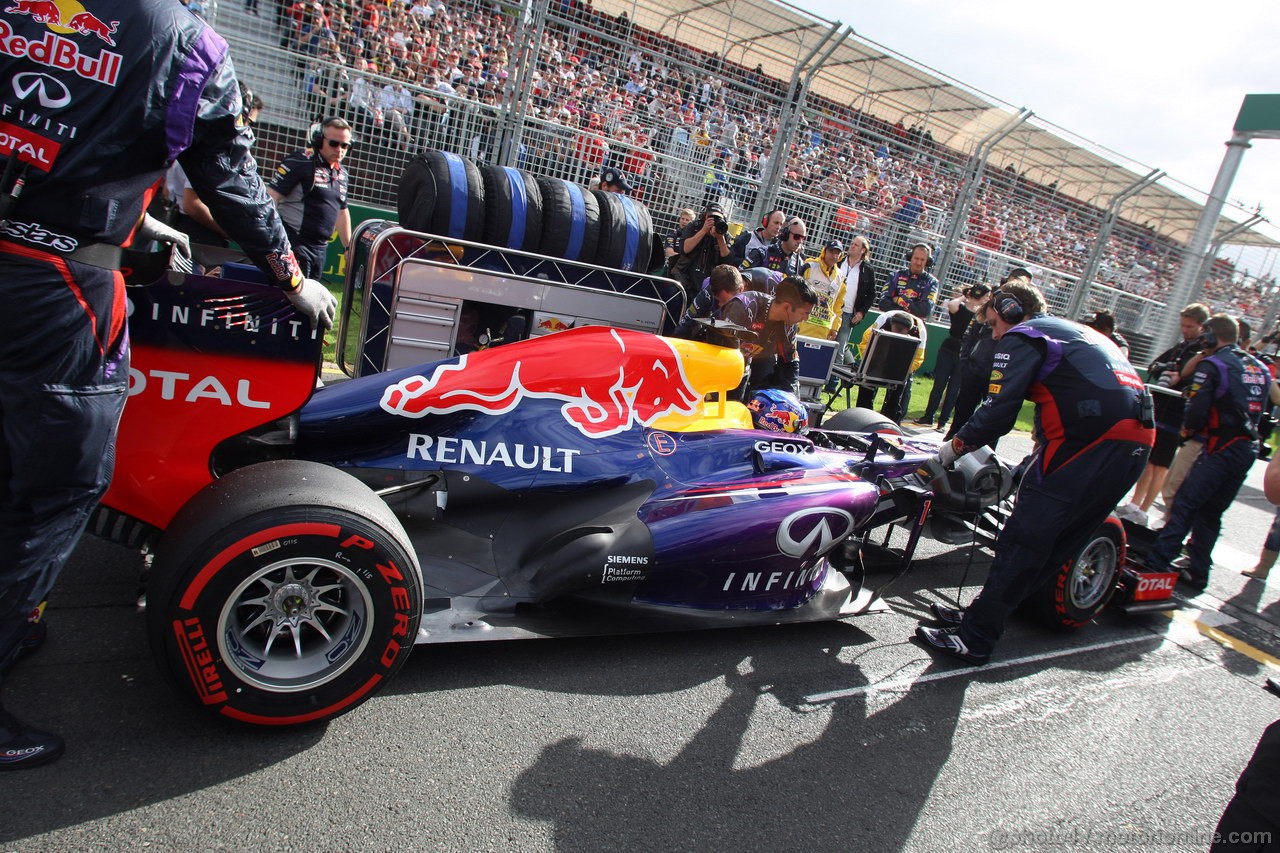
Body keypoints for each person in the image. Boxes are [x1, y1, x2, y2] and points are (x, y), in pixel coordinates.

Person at [0, 0, 335, 770]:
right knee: (55, 485)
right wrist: (287, 273)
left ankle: (16, 622)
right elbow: (228, 174)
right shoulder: (185, 41)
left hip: (43, 253)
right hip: (52, 291)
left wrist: (135, 225)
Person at [915, 278, 1154, 665]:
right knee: (1052, 547)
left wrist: (953, 448)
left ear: (1010, 311)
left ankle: (975, 638)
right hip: (1134, 447)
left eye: (993, 324)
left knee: (1022, 540)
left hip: (1088, 445)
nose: (993, 333)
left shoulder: (1024, 333)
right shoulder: (1074, 333)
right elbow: (1074, 394)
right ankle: (982, 618)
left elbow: (998, 411)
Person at [1142, 315, 1271, 593]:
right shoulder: (1260, 367)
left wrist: (1187, 432)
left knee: (1185, 505)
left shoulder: (1214, 365)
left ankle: (1155, 566)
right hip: (1247, 448)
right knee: (1211, 513)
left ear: (1211, 336)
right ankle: (1198, 573)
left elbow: (1198, 411)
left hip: (1219, 448)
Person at [1116, 303, 1211, 523]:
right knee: (1148, 458)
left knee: (1161, 465)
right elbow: (1155, 365)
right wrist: (1168, 369)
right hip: (1161, 407)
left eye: (1190, 326)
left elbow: (1190, 377)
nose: (1185, 330)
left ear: (1201, 327)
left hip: (1177, 413)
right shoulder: (1181, 346)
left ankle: (1144, 509)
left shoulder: (1202, 351)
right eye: (1183, 325)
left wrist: (1179, 375)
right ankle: (1134, 503)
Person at [268, 118, 354, 280]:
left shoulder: (342, 173)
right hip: (294, 243)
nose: (340, 149)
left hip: (320, 249)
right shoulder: (300, 161)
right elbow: (272, 197)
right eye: (334, 143)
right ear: (319, 140)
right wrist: (274, 236)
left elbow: (342, 212)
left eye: (345, 145)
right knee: (294, 299)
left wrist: (349, 247)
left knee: (311, 302)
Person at [719, 275, 818, 398]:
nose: (806, 319)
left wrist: (790, 399)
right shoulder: (745, 306)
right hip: (719, 364)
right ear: (787, 307)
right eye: (805, 313)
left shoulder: (789, 326)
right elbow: (724, 354)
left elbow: (790, 363)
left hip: (753, 364)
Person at [912, 283, 986, 430]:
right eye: (984, 296)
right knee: (939, 385)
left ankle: (943, 421)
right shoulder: (961, 309)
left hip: (965, 353)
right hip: (948, 348)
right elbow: (952, 304)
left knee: (954, 390)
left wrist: (980, 305)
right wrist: (967, 296)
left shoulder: (981, 317)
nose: (985, 299)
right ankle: (928, 416)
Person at [943, 281, 997, 442]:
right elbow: (968, 338)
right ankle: (951, 439)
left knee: (990, 415)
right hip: (973, 369)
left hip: (994, 374)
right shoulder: (983, 313)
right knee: (962, 409)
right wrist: (966, 361)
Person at [854, 310, 926, 423]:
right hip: (879, 354)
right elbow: (865, 344)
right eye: (896, 329)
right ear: (891, 324)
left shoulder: (920, 331)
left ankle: (891, 422)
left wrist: (902, 371)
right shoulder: (882, 320)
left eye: (901, 332)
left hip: (902, 359)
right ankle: (862, 419)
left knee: (898, 395)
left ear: (909, 330)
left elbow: (917, 359)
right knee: (866, 387)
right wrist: (872, 363)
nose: (897, 333)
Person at [670, 202, 732, 300]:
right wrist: (703, 231)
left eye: (717, 218)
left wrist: (720, 238)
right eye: (710, 217)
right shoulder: (694, 226)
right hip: (685, 278)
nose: (713, 220)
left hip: (709, 283)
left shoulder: (724, 234)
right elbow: (685, 249)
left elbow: (728, 261)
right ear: (704, 217)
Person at [833, 235, 878, 365]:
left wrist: (861, 312)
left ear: (863, 250)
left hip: (847, 314)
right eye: (851, 243)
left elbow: (871, 295)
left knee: (840, 348)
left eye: (856, 245)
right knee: (826, 343)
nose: (852, 246)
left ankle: (831, 384)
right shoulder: (839, 261)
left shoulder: (867, 270)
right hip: (831, 310)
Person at [672, 264, 745, 339]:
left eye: (724, 301)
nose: (720, 304)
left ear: (741, 290)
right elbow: (686, 324)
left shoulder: (754, 298)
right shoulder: (708, 292)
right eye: (718, 300)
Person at [798, 240, 847, 342]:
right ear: (824, 251)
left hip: (823, 331)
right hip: (801, 326)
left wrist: (835, 327)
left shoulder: (841, 277)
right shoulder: (809, 266)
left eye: (837, 253)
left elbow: (838, 305)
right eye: (831, 252)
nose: (834, 256)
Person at [879, 243, 939, 320]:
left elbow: (925, 310)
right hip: (891, 320)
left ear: (928, 261)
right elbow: (883, 303)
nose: (918, 263)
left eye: (922, 260)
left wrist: (898, 300)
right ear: (910, 257)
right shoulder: (895, 275)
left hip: (916, 325)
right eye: (916, 258)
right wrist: (911, 306)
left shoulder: (932, 282)